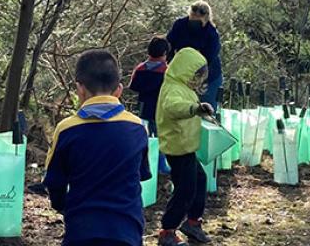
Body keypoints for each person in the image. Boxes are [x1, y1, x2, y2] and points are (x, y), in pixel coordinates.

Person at [43, 50, 152, 246]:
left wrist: (63, 206)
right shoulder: (137, 128)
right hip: (127, 231)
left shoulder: (67, 129)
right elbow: (141, 175)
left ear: (80, 89)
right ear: (118, 90)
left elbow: (54, 182)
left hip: (81, 230)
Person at [155, 47, 216, 246]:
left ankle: (192, 222)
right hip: (177, 147)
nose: (198, 79)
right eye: (196, 74)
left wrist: (202, 111)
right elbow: (174, 107)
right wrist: (194, 109)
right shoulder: (172, 89)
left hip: (186, 145)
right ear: (185, 70)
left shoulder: (183, 87)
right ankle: (168, 230)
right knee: (185, 190)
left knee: (199, 180)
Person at [127, 35, 172, 174]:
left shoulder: (140, 68)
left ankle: (143, 167)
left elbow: (133, 85)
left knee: (144, 140)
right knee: (161, 139)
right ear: (165, 53)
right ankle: (161, 166)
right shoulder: (166, 71)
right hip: (160, 111)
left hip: (142, 109)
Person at [165, 1, 222, 109]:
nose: (195, 19)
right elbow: (169, 45)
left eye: (198, 18)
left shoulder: (211, 33)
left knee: (206, 109)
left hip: (208, 76)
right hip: (182, 74)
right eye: (193, 16)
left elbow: (210, 56)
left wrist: (199, 79)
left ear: (206, 18)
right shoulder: (180, 25)